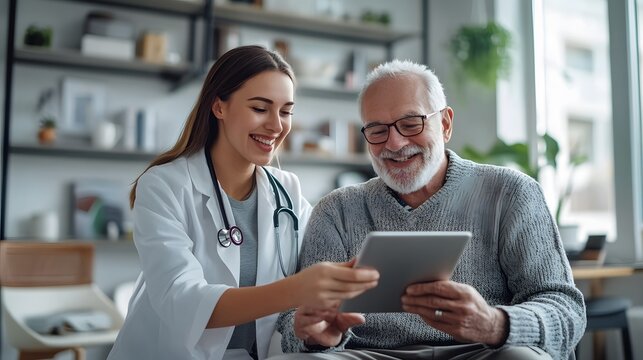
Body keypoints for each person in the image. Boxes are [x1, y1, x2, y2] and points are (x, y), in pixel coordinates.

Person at [272, 60, 586, 360]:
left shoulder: (511, 192)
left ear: (445, 124)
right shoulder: (337, 210)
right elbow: (294, 319)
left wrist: (493, 323)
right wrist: (313, 333)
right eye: (378, 130)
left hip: (484, 351)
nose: (394, 144)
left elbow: (565, 311)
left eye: (411, 124)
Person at [107, 45, 379, 360]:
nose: (277, 126)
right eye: (260, 108)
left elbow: (303, 291)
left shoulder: (286, 191)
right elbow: (182, 301)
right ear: (219, 107)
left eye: (286, 111)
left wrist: (312, 326)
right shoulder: (164, 186)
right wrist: (298, 289)